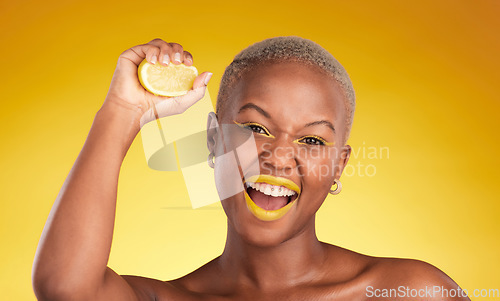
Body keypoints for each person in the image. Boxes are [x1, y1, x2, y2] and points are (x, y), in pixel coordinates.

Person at [32, 37, 470, 301]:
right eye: (255, 127)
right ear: (212, 141)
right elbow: (66, 290)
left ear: (339, 166)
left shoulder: (409, 292)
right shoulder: (166, 297)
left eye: (312, 140)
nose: (279, 156)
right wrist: (122, 110)